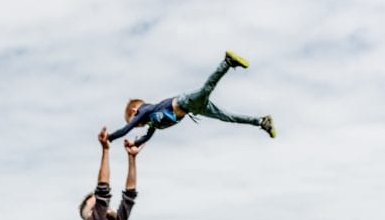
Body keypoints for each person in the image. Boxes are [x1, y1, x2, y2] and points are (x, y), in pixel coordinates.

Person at [107, 50, 275, 147]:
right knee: (228, 117)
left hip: (184, 101)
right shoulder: (152, 123)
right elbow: (146, 137)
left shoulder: (145, 111)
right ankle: (261, 121)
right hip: (194, 109)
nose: (137, 124)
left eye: (134, 119)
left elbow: (125, 129)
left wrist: (110, 138)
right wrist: (134, 144)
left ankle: (227, 62)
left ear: (134, 110)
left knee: (207, 88)